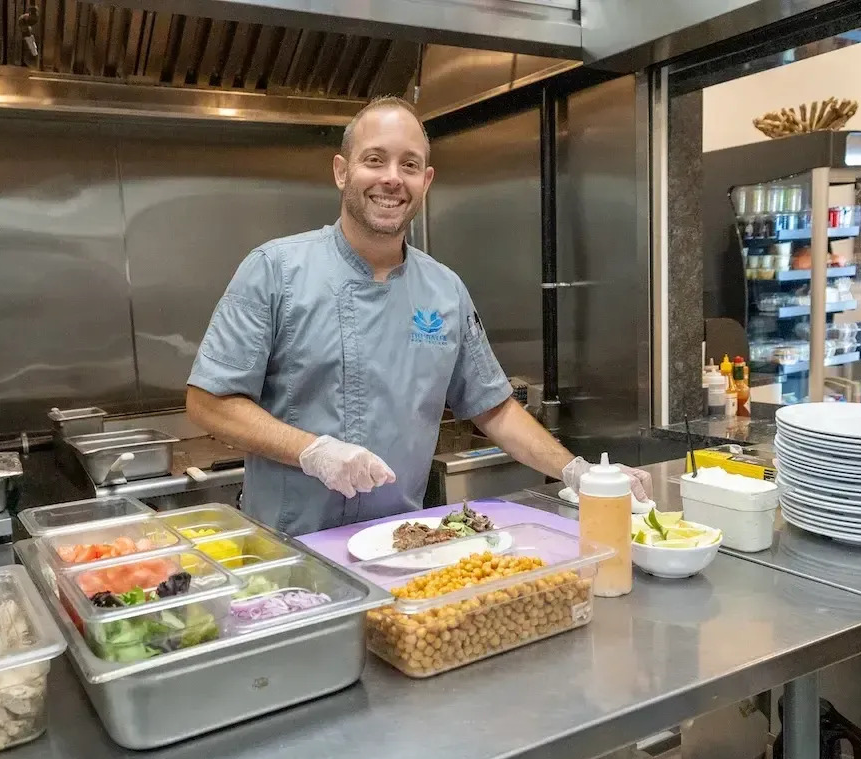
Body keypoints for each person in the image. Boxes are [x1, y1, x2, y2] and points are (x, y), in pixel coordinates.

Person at [187, 96, 651, 535]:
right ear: (341, 172)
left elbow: (493, 406)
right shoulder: (274, 270)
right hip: (289, 546)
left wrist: (580, 472)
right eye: (374, 160)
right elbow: (208, 402)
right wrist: (312, 451)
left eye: (408, 165)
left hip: (399, 544)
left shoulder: (444, 289)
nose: (392, 178)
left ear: (425, 182)